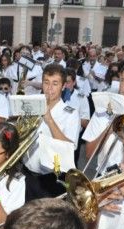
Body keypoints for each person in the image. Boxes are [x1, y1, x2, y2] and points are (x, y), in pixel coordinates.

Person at [22, 64, 80, 201]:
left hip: (51, 179)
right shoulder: (32, 106)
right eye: (46, 82)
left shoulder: (70, 114)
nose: (49, 88)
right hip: (26, 174)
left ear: (63, 86)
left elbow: (70, 147)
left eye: (55, 83)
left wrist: (50, 120)